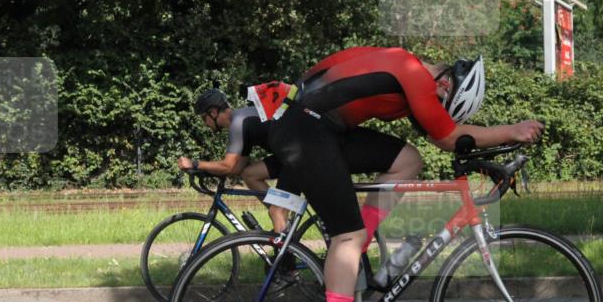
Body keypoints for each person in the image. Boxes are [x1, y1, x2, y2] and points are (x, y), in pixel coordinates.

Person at [259, 47, 543, 302]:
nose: (438, 107)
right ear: (444, 86)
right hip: (306, 130)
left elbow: (439, 136)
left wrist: (494, 148)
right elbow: (449, 138)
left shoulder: (408, 68)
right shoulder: (412, 73)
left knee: (408, 160)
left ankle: (359, 244)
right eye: (443, 105)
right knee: (346, 236)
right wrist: (512, 130)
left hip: (321, 126)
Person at [177, 86, 422, 231]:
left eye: (203, 118)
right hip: (288, 152)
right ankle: (285, 211)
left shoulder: (237, 123)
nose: (205, 124)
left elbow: (228, 165)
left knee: (276, 211)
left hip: (298, 151)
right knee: (251, 174)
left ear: (212, 112)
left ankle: (286, 256)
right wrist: (207, 169)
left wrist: (196, 164)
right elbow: (238, 168)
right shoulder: (245, 120)